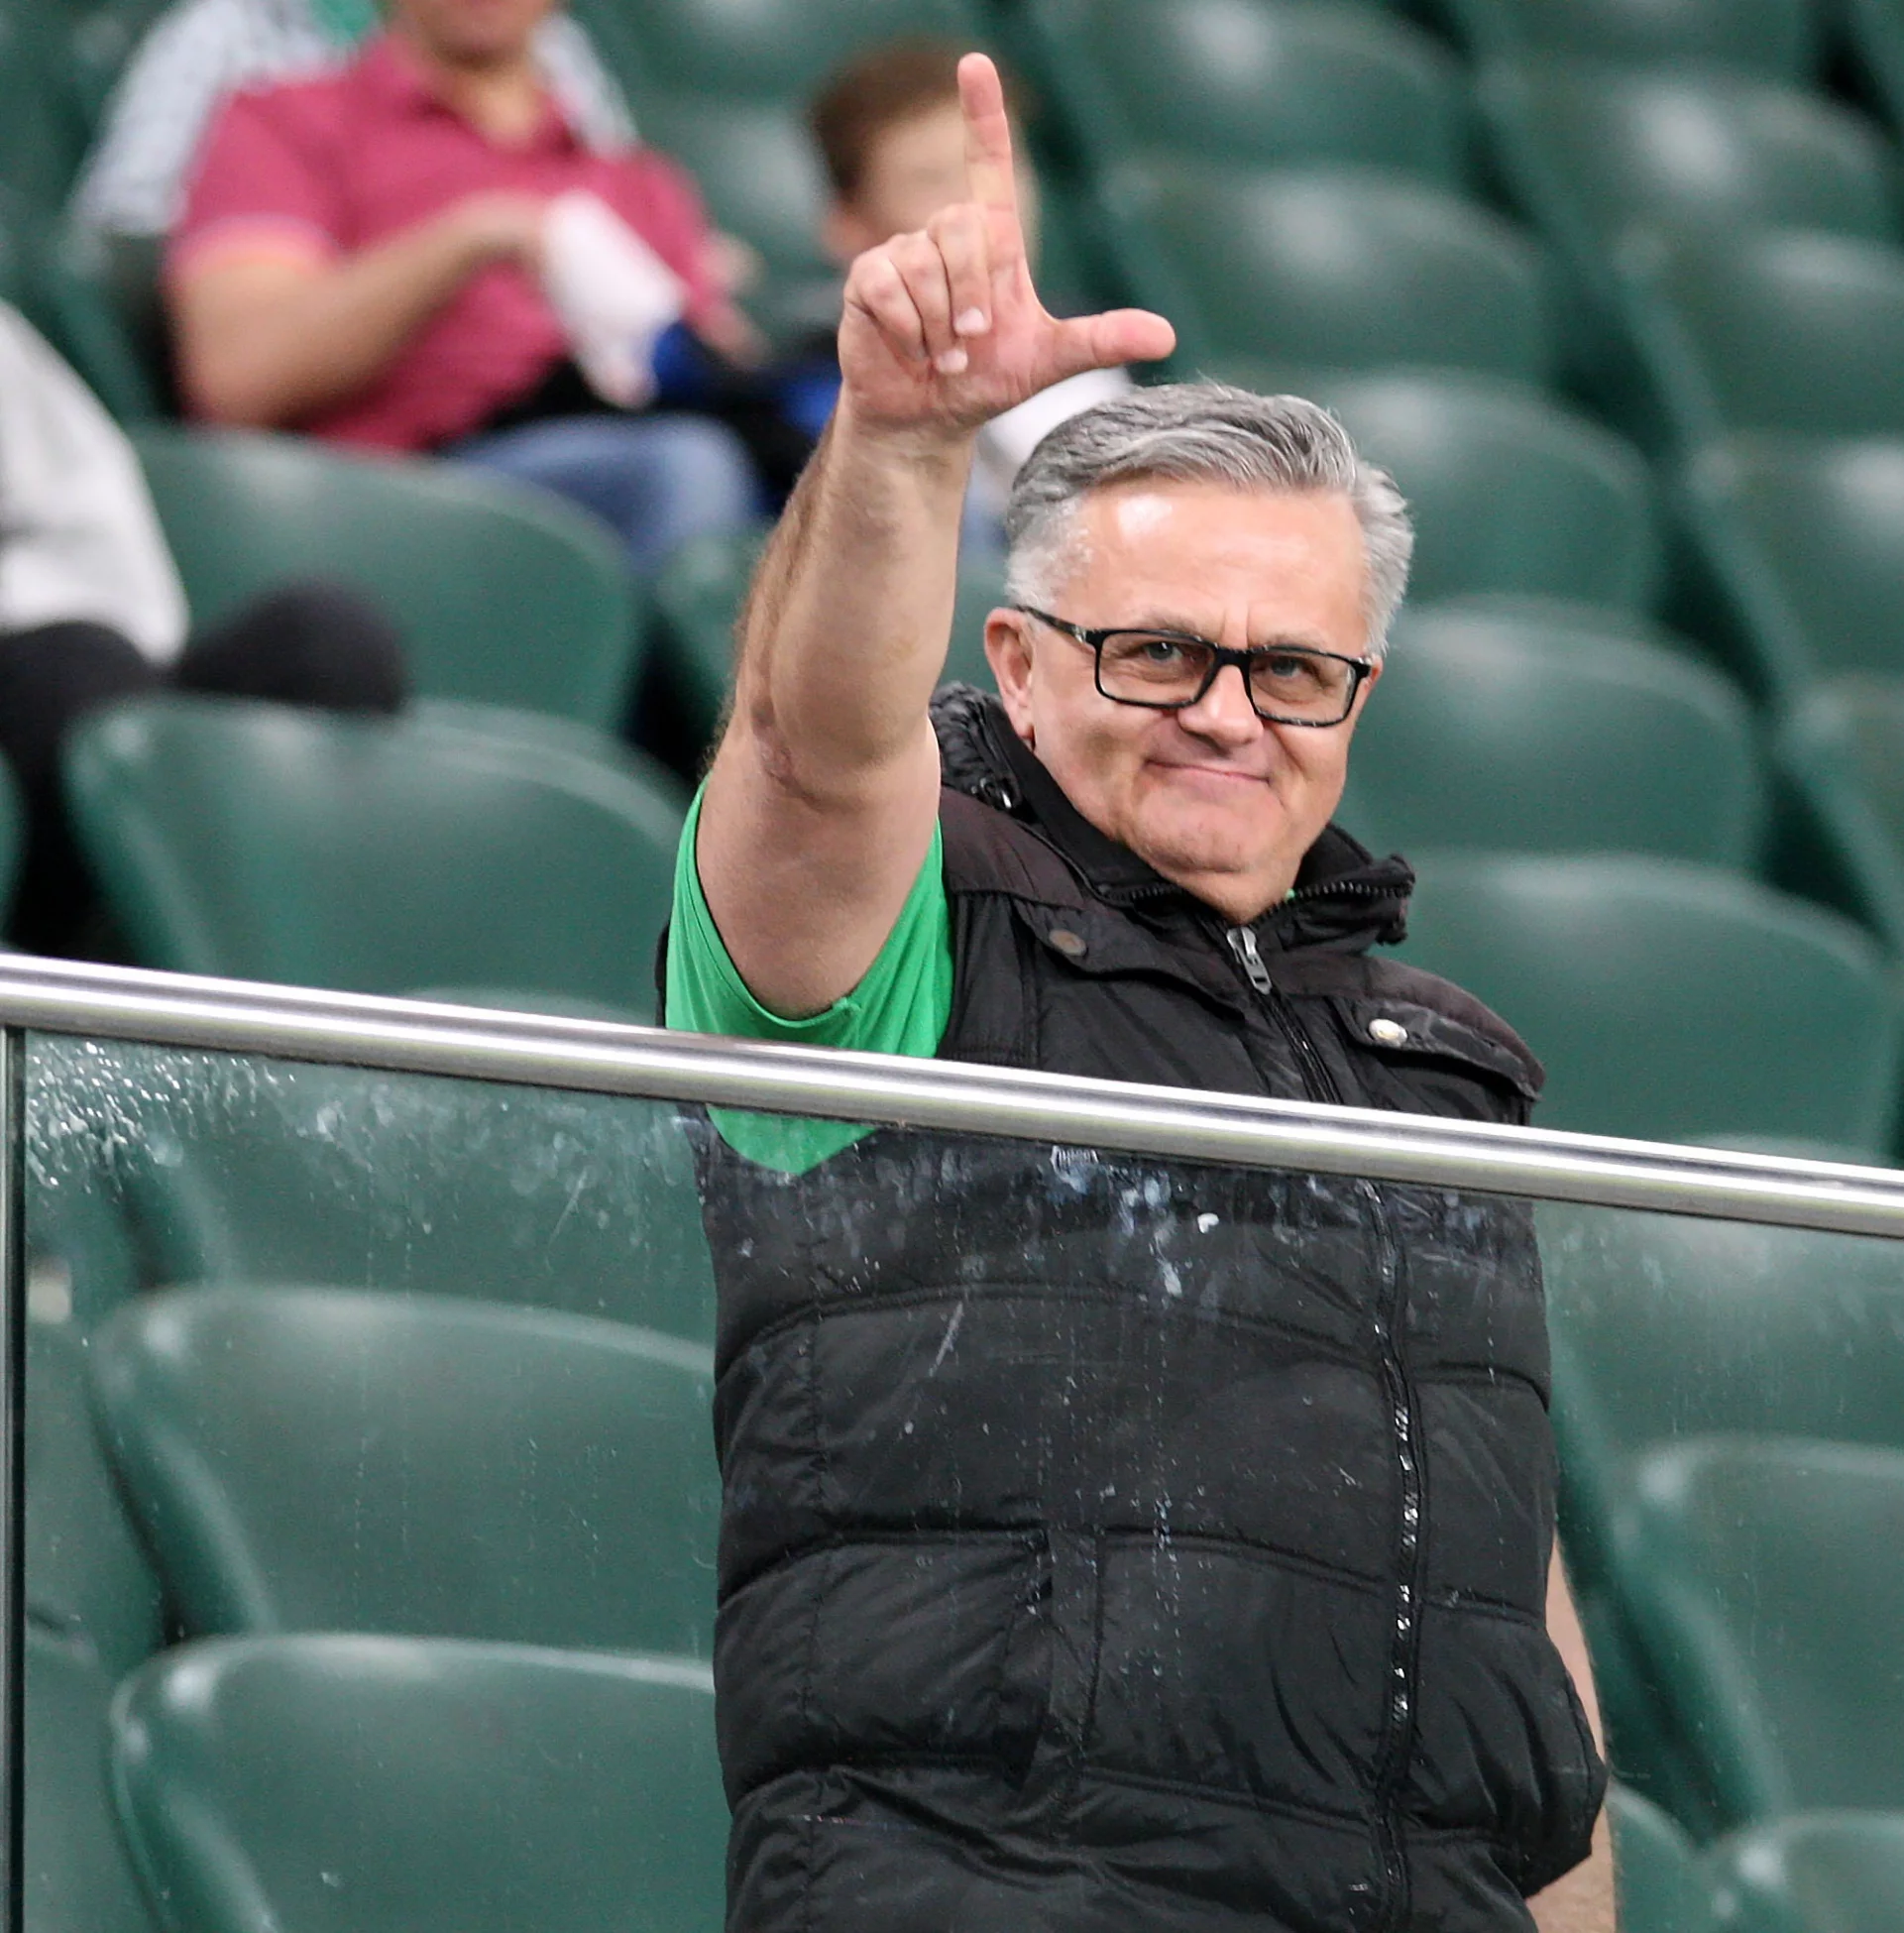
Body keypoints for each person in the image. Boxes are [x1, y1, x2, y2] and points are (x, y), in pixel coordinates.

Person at [665, 52, 1616, 1933]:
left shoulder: (1437, 1067)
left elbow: (1518, 1601)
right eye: (1160, 650)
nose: (1228, 715)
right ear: (1016, 665)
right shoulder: (903, 931)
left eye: (1295, 671)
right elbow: (810, 744)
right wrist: (903, 445)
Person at [163, 0, 760, 575]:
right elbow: (238, 377)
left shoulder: (640, 183)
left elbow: (712, 370)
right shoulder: (287, 122)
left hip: (616, 445)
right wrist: (470, 237)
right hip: (396, 500)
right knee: (686, 467)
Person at [0, 300, 406, 954]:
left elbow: (99, 523)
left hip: (131, 656)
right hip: (43, 678)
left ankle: (282, 950)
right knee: (77, 666)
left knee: (330, 638)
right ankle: (103, 956)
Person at [804, 37, 1130, 551]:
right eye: (932, 180)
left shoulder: (1095, 363)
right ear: (847, 224)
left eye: (1002, 170)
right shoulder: (819, 397)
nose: (981, 208)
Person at [68, 0, 636, 247]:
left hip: (531, 357)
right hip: (301, 334)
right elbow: (122, 228)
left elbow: (620, 203)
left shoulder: (542, 42)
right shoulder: (226, 29)